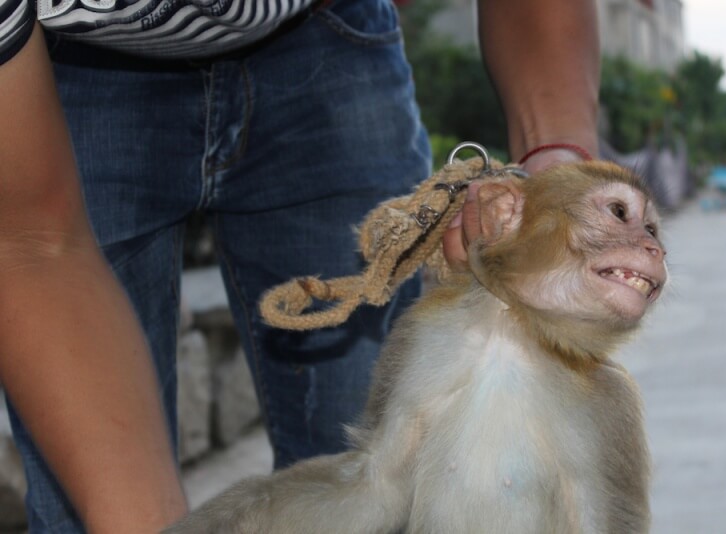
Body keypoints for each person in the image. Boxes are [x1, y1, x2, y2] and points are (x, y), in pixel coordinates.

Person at [0, 0, 600, 531]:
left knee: (384, 474)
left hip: (325, 39)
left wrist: (559, 169)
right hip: (59, 75)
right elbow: (33, 242)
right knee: (84, 496)